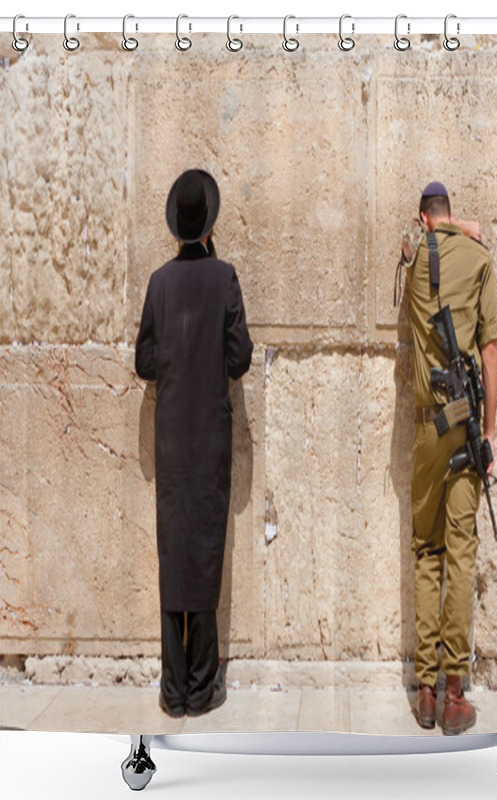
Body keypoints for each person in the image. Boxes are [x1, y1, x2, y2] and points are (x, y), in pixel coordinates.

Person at [135, 169, 253, 718]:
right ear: (209, 225)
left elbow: (143, 362)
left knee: (172, 555)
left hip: (171, 445)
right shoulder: (225, 277)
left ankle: (173, 686)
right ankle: (203, 686)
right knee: (204, 555)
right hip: (209, 441)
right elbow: (240, 358)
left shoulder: (159, 283)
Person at [407, 181, 497, 735]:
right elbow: (489, 353)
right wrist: (490, 433)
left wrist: (441, 229)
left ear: (423, 219)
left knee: (427, 550)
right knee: (461, 553)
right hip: (466, 425)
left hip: (426, 432)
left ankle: (424, 689)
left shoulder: (418, 256)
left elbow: (417, 237)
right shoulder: (480, 259)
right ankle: (455, 693)